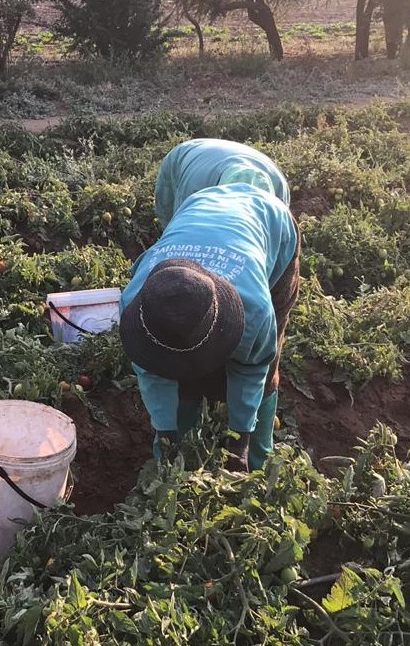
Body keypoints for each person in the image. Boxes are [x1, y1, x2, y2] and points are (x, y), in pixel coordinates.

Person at [120, 145, 299, 473]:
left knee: (267, 359)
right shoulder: (139, 301)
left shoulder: (255, 311)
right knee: (180, 359)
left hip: (269, 221)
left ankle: (261, 456)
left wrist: (240, 439)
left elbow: (251, 368)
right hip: (200, 204)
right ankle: (184, 437)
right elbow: (151, 370)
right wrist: (166, 435)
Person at [154, 138, 290, 228]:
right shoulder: (194, 190)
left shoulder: (279, 189)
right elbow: (185, 225)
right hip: (188, 153)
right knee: (173, 223)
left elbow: (277, 235)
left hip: (243, 155)